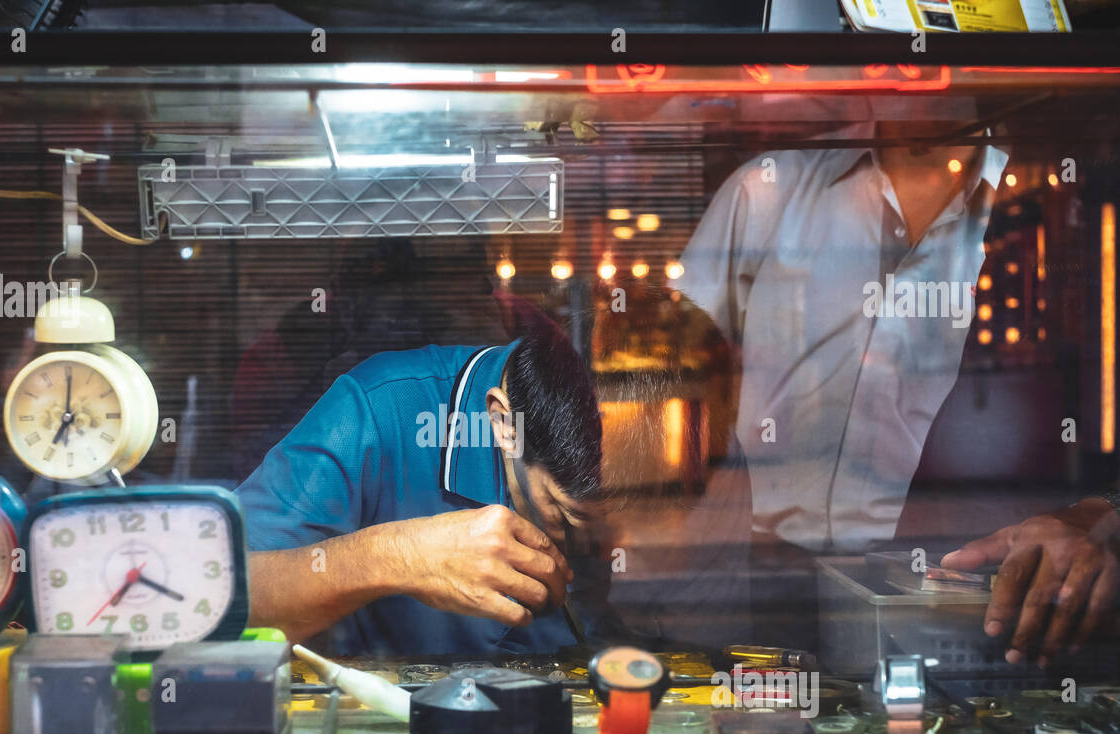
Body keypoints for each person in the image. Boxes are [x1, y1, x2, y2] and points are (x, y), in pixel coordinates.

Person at [668, 98, 1119, 664]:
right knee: (769, 731)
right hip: (767, 564)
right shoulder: (769, 186)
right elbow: (685, 353)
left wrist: (1100, 512)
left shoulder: (1042, 198)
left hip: (961, 582)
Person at [236, 318, 610, 657]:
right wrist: (401, 556)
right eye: (567, 516)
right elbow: (219, 593)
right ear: (506, 425)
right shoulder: (378, 411)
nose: (610, 550)